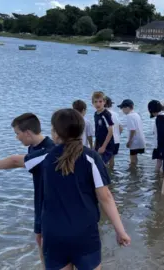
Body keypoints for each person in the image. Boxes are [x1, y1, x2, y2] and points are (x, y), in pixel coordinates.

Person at [35, 108, 130, 269]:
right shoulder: (91, 157)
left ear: (56, 133)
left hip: (54, 233)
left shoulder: (44, 157)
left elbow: (17, 161)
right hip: (84, 233)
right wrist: (120, 231)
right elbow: (105, 196)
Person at [0, 113, 55, 268]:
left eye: (17, 134)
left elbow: (15, 161)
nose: (17, 138)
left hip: (50, 204)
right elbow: (19, 162)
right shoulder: (34, 147)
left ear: (28, 133)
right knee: (39, 239)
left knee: (48, 244)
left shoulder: (49, 148)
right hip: (41, 201)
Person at [117, 99, 146, 166]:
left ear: (127, 108)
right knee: (135, 158)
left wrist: (129, 141)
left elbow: (133, 130)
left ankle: (133, 173)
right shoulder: (136, 114)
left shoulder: (129, 116)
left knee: (132, 160)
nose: (122, 110)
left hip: (134, 141)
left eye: (122, 108)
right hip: (141, 139)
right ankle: (136, 172)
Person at [92, 91, 115, 164]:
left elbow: (110, 131)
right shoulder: (96, 114)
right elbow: (97, 131)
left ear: (104, 102)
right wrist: (95, 145)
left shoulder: (106, 114)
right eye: (95, 102)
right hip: (98, 143)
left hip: (107, 145)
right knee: (96, 164)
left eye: (100, 101)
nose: (98, 104)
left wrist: (103, 147)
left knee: (101, 165)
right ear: (93, 103)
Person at [105, 97, 123, 169]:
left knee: (104, 160)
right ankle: (111, 173)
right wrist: (117, 136)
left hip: (107, 141)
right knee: (112, 159)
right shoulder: (115, 114)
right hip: (116, 141)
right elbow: (121, 128)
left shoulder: (102, 114)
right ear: (110, 104)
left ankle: (106, 176)